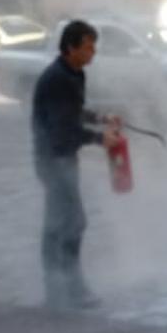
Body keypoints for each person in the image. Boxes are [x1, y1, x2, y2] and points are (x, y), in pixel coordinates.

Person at [31, 20, 119, 312]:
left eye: (94, 46)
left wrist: (99, 117)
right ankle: (67, 289)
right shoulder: (58, 79)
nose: (93, 52)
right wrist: (98, 137)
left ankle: (60, 289)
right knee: (66, 223)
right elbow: (62, 130)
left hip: (63, 159)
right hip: (53, 160)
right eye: (88, 46)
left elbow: (73, 111)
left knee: (63, 222)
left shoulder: (73, 74)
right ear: (71, 48)